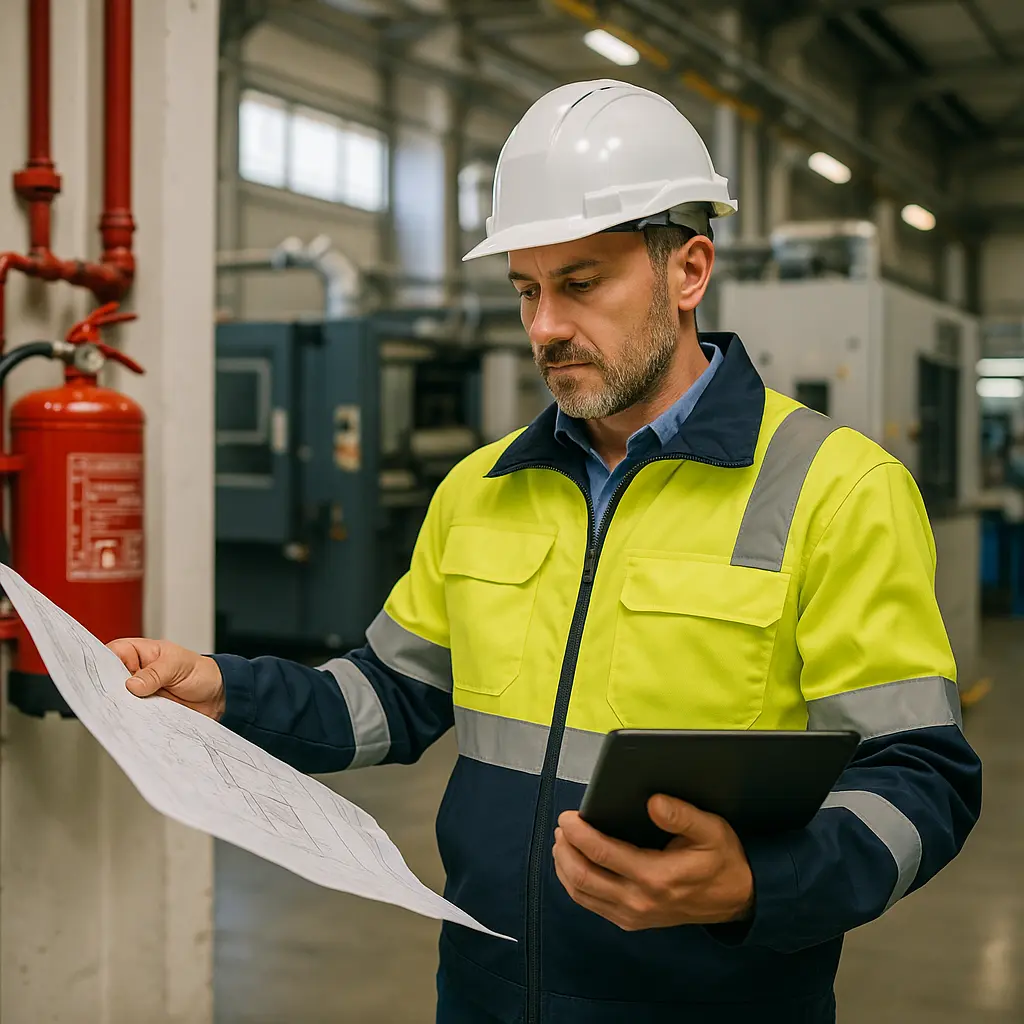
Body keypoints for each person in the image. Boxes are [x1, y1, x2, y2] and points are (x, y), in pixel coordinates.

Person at [110, 80, 981, 1024]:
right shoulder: (483, 486)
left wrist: (758, 886)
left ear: (688, 272)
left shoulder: (835, 488)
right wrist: (223, 688)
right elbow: (390, 695)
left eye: (580, 282)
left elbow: (919, 775)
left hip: (714, 1003)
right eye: (525, 289)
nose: (543, 327)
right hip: (484, 992)